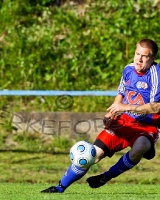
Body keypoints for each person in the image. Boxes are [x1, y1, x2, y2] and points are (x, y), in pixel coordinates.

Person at [41, 38, 160, 193]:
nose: (139, 59)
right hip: (123, 121)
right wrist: (111, 112)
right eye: (137, 54)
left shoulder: (156, 74)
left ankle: (106, 176)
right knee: (93, 155)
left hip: (147, 126)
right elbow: (121, 93)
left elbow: (156, 107)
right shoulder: (128, 69)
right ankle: (59, 187)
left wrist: (125, 107)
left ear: (153, 58)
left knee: (141, 146)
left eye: (144, 56)